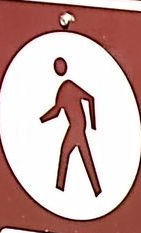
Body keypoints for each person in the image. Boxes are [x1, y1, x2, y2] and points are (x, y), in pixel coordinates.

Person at [40, 56, 101, 197]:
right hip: (77, 127)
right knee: (84, 157)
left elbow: (90, 98)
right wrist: (42, 119)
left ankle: (60, 188)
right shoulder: (63, 90)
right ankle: (95, 189)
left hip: (77, 127)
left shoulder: (69, 86)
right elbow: (56, 112)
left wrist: (93, 124)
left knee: (67, 154)